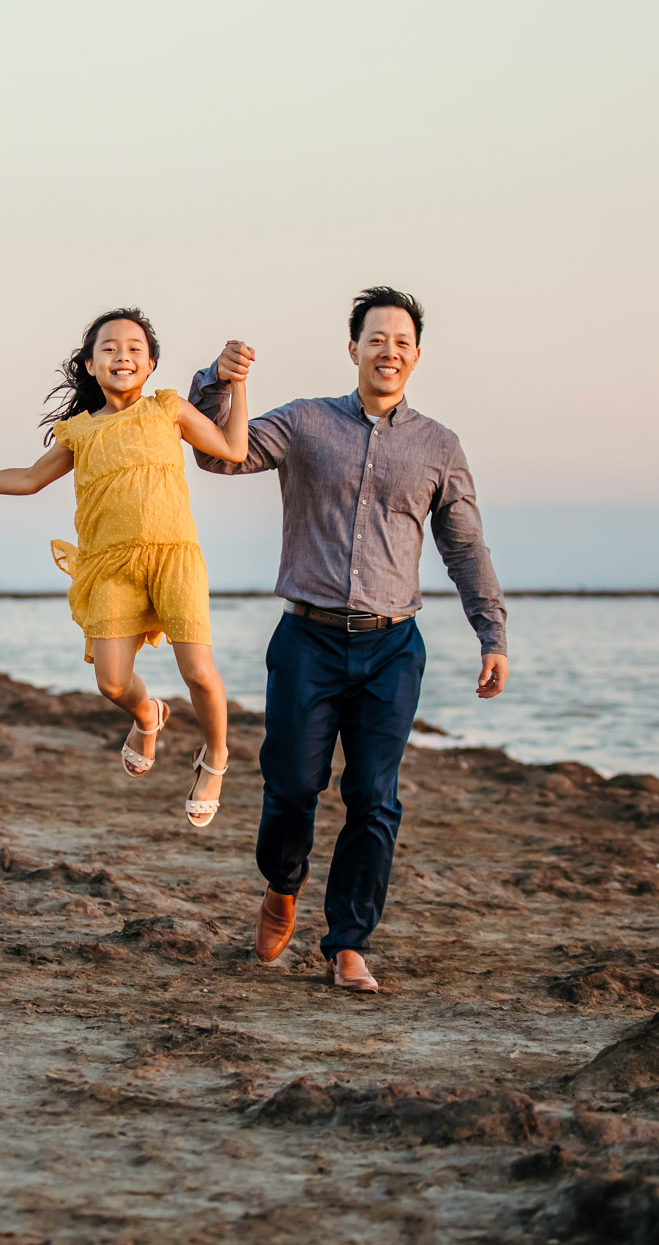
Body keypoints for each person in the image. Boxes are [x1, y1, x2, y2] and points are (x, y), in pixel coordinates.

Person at [187, 286, 509, 993]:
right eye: (376, 338)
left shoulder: (439, 447)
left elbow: (463, 545)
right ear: (354, 348)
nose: (388, 351)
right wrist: (217, 381)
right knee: (292, 783)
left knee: (374, 795)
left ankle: (348, 943)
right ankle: (282, 884)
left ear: (415, 356)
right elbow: (220, 457)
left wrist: (491, 632)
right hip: (308, 639)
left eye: (401, 341)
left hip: (393, 647)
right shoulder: (304, 423)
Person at [0, 307, 250, 827]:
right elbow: (29, 479)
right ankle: (148, 715)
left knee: (198, 671)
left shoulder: (167, 408)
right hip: (110, 566)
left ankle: (215, 757)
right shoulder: (79, 431)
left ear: (151, 364)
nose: (122, 356)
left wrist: (237, 383)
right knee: (111, 683)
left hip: (173, 558)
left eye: (134, 349)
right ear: (89, 364)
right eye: (109, 348)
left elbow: (234, 448)